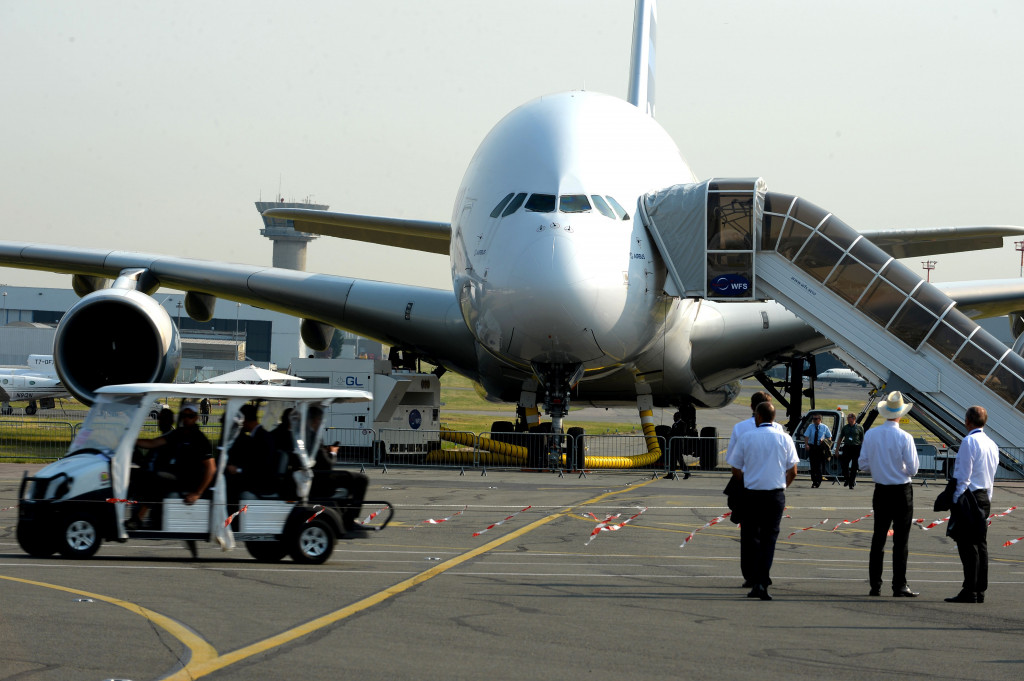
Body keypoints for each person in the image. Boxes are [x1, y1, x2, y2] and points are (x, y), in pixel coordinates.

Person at [726, 401, 799, 601]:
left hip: (752, 492)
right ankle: (762, 580)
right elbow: (793, 471)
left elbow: (735, 467)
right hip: (774, 493)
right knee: (769, 539)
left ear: (758, 416)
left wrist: (748, 481)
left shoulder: (747, 437)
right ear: (773, 417)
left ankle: (755, 579)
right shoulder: (785, 438)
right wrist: (782, 486)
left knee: (751, 537)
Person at [859, 391, 920, 597]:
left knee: (878, 539)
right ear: (900, 414)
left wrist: (881, 466)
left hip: (881, 490)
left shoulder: (871, 434)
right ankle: (899, 585)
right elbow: (913, 469)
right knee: (901, 541)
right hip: (901, 490)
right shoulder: (905, 437)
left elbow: (863, 464)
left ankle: (875, 584)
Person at [945, 405, 1000, 603]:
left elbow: (962, 475)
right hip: (984, 496)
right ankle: (979, 590)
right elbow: (992, 475)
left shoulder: (969, 441)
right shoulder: (992, 444)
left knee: (966, 546)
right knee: (981, 545)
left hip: (970, 497)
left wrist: (955, 500)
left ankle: (969, 589)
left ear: (968, 421)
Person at [136, 401, 215, 507]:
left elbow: (211, 468)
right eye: (184, 415)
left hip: (190, 480)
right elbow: (153, 443)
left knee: (156, 481)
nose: (186, 418)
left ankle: (138, 518)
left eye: (190, 416)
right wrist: (132, 440)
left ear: (196, 417)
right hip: (178, 475)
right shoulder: (178, 433)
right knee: (144, 477)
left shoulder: (200, 439)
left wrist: (197, 493)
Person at [307, 406, 369, 532]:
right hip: (320, 478)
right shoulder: (312, 436)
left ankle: (345, 512)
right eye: (320, 420)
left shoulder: (306, 435)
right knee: (361, 479)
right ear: (315, 421)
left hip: (315, 475)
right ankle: (350, 519)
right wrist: (333, 453)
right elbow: (327, 464)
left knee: (350, 478)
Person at [225, 403, 277, 501]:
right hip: (254, 478)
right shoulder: (257, 436)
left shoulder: (262, 438)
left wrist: (238, 470)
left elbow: (261, 465)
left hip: (261, 482)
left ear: (244, 420)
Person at [801, 414, 832, 488]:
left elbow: (829, 437)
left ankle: (818, 481)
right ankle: (814, 481)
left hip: (820, 448)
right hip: (812, 447)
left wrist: (824, 441)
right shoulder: (810, 426)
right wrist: (806, 444)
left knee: (819, 465)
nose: (814, 420)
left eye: (815, 419)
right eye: (813, 419)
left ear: (820, 419)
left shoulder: (824, 427)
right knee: (813, 465)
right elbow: (806, 436)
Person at [837, 413, 864, 489]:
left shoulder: (859, 427)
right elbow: (840, 438)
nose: (848, 419)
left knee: (854, 466)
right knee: (844, 464)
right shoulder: (845, 427)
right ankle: (847, 478)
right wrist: (837, 449)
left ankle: (851, 483)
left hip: (856, 447)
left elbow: (862, 439)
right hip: (847, 447)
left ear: (854, 418)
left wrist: (863, 450)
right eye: (848, 418)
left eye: (850, 418)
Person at [668, 411, 691, 479]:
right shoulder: (674, 425)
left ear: (678, 417)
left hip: (679, 444)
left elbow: (683, 433)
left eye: (674, 417)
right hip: (673, 444)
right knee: (672, 460)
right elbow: (672, 432)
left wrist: (674, 434)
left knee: (680, 460)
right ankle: (670, 474)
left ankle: (687, 473)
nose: (673, 418)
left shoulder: (683, 424)